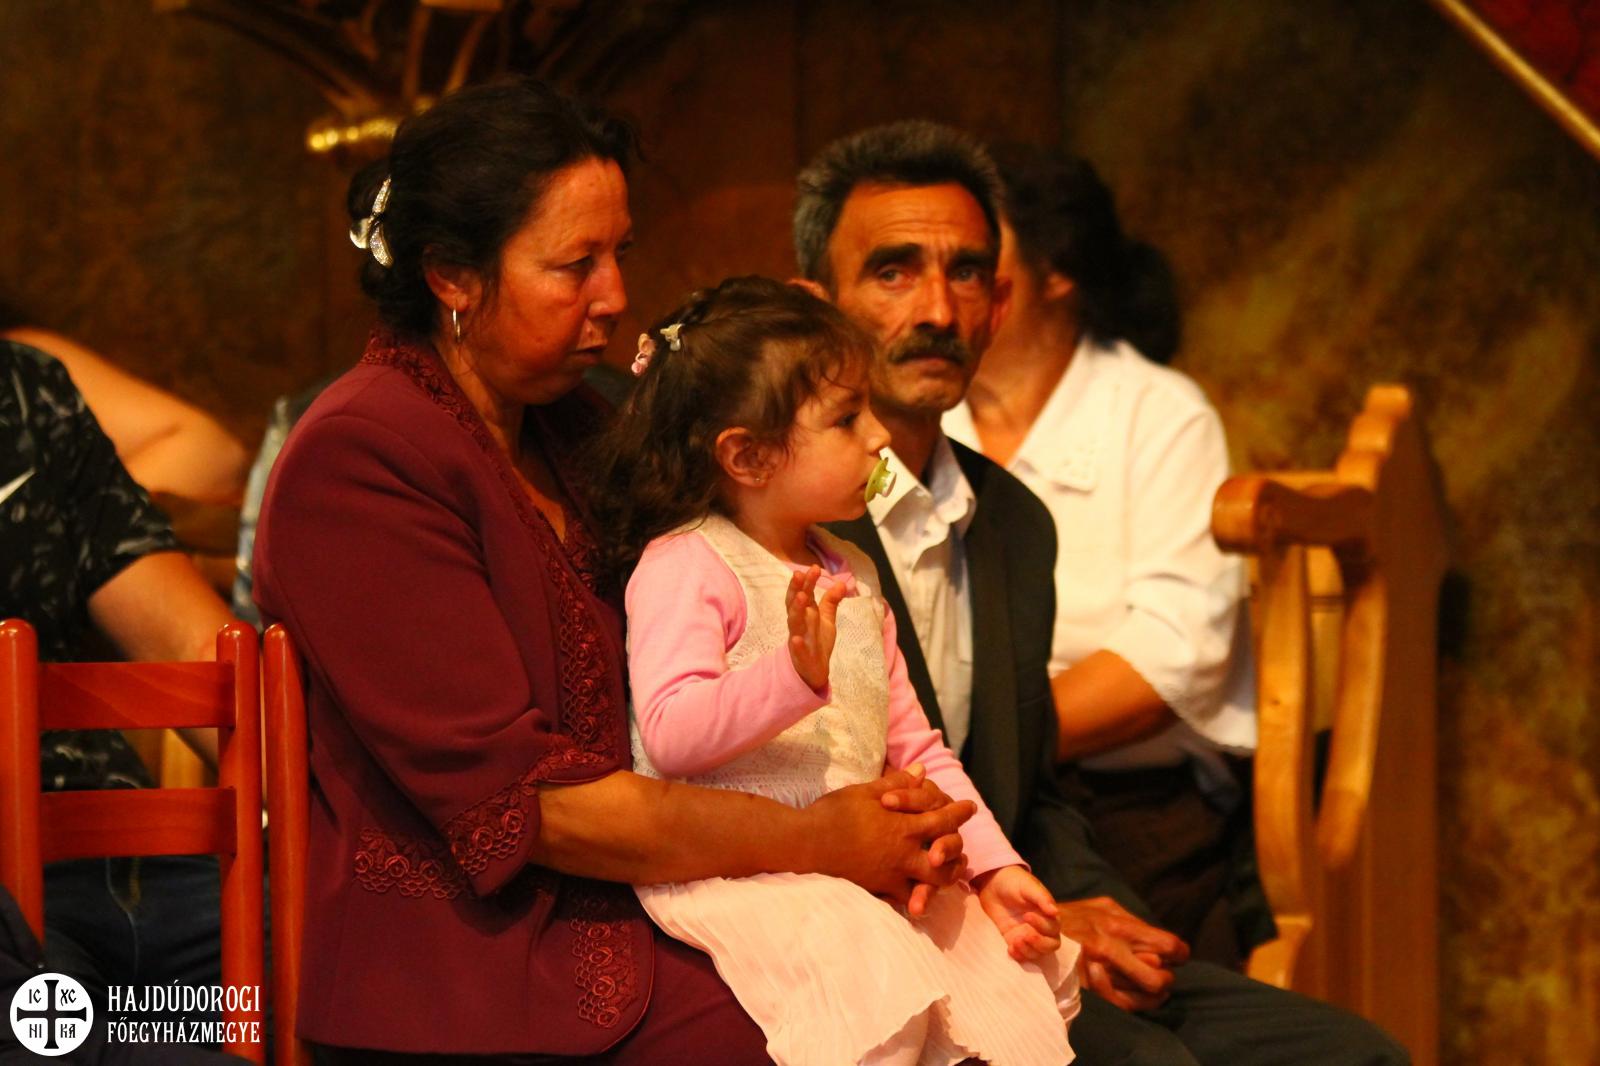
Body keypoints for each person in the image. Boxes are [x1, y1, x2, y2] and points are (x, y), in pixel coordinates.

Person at [251, 78, 972, 1063]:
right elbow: (530, 802)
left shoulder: (580, 424)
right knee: (845, 1027)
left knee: (966, 987)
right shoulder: (360, 459)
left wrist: (899, 812)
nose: (616, 296)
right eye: (573, 264)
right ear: (452, 275)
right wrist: (822, 839)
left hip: (665, 898)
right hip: (471, 968)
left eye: (619, 254)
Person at [795, 120, 1408, 1065]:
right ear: (815, 306)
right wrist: (1031, 909)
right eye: (892, 272)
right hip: (874, 932)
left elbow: (1030, 785)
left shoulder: (1013, 521)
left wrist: (1096, 909)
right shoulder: (789, 510)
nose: (938, 308)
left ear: (1000, 304)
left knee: (1352, 1054)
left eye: (967, 273)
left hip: (1024, 904)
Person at [591, 276, 1079, 1066]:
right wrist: (789, 677)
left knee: (997, 994)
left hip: (854, 867)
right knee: (884, 1015)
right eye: (848, 419)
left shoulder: (853, 570)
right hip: (748, 875)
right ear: (748, 455)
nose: (880, 436)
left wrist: (993, 865)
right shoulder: (688, 563)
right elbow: (673, 735)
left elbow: (915, 747)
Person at [942, 147, 1267, 966]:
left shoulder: (1157, 414)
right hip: (946, 789)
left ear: (1054, 275)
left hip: (1122, 805)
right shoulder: (920, 419)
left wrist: (987, 742)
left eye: (974, 263)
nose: (946, 296)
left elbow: (1169, 661)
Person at [1, 337, 244, 1064]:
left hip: (136, 860)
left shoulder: (24, 388)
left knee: (366, 978)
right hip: (14, 903)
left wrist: (351, 827)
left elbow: (197, 651)